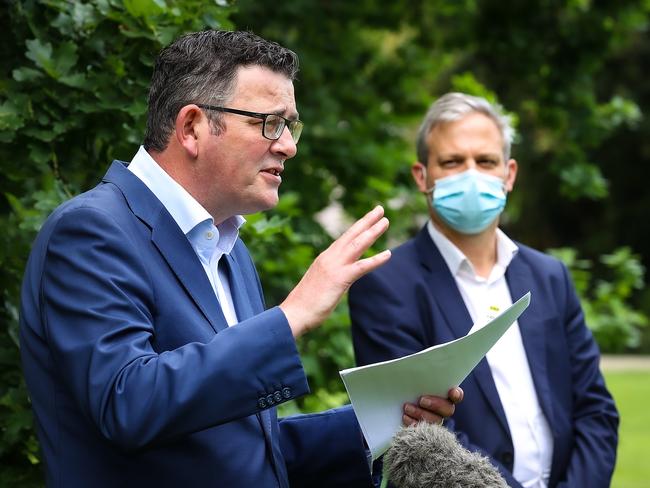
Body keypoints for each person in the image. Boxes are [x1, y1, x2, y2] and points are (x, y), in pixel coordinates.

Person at [19, 31, 462, 488]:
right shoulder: (91, 230)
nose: (288, 145)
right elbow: (128, 404)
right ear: (191, 126)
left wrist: (379, 423)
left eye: (291, 125)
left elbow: (246, 450)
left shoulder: (228, 249)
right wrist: (290, 317)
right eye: (269, 123)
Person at [350, 92, 619, 488]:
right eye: (452, 162)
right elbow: (420, 432)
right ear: (422, 176)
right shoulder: (387, 286)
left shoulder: (549, 276)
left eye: (486, 161)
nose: (471, 175)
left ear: (509, 174)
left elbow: (595, 410)